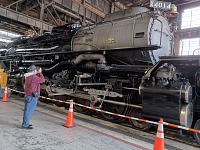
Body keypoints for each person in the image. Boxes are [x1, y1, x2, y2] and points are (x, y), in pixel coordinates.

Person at [21, 65, 45, 129]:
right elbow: (42, 80)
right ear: (34, 71)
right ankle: (25, 125)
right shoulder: (33, 77)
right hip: (32, 96)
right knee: (29, 111)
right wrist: (40, 72)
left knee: (27, 110)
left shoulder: (27, 76)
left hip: (27, 95)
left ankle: (26, 123)